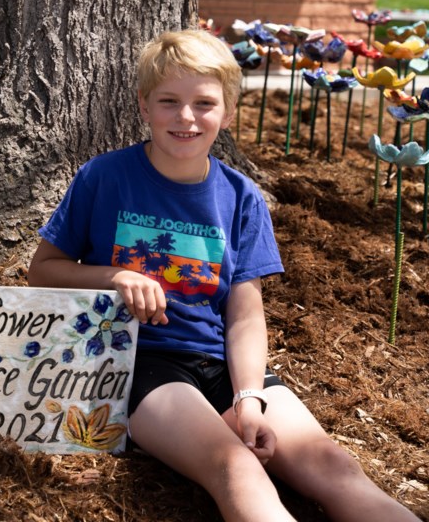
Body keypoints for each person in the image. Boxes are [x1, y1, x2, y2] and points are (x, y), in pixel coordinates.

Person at [27, 29, 418, 521]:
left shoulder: (242, 197)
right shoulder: (104, 177)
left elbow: (245, 315)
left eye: (204, 103)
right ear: (144, 106)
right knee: (236, 467)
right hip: (139, 364)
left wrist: (249, 397)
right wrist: (113, 277)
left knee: (334, 464)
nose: (185, 117)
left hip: (223, 366)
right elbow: (42, 270)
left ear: (228, 114)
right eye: (169, 101)